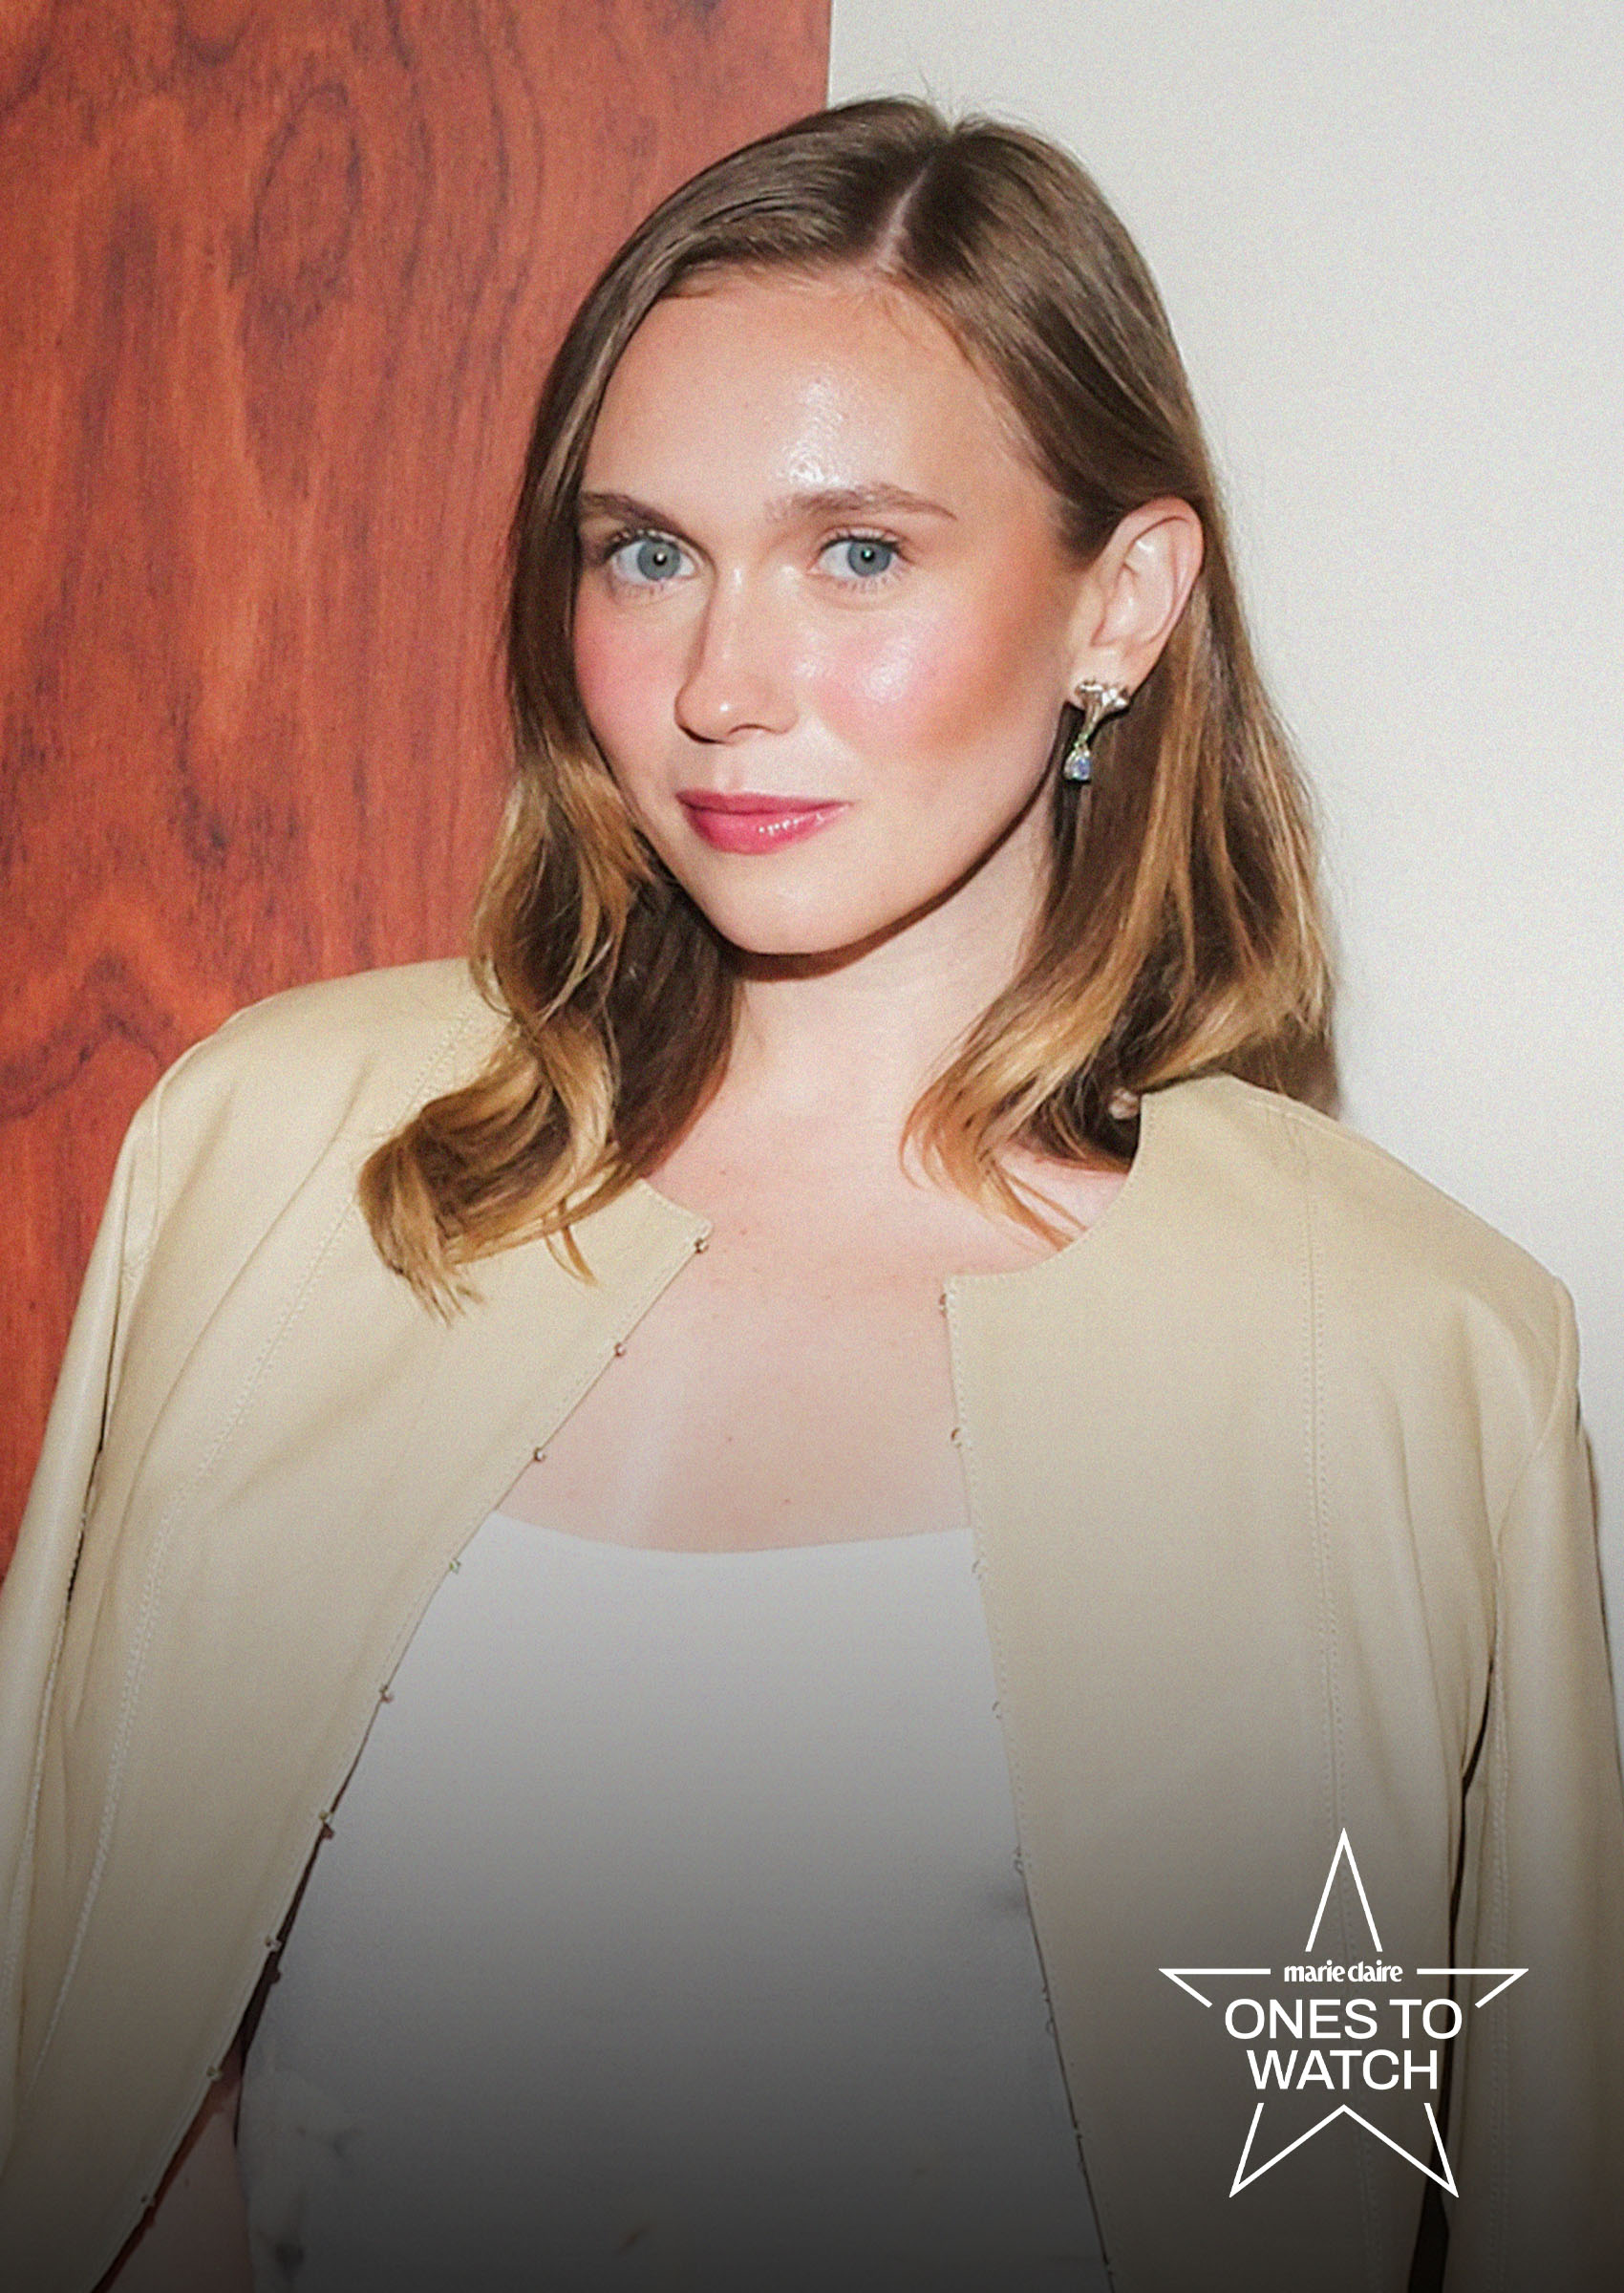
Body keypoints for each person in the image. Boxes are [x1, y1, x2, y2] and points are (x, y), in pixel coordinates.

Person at [1, 96, 1620, 2293]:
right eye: (642, 551)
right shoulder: (275, 1155)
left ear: (1120, 603)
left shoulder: (1416, 1357)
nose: (716, 689)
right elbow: (79, 2064)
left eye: (856, 553)